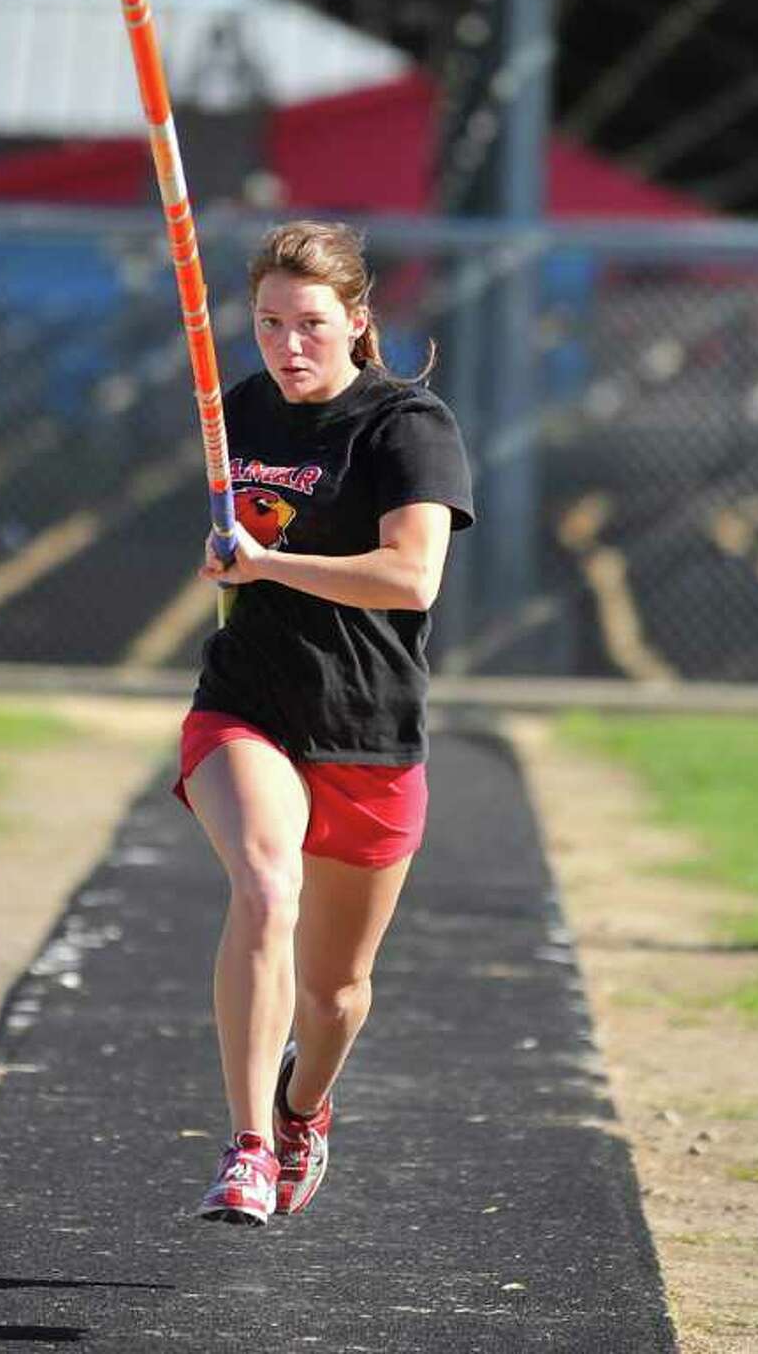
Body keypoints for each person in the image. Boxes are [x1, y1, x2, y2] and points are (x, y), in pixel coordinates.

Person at [174, 219, 474, 1225]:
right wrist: (233, 555)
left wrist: (263, 561)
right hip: (248, 703)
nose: (288, 345)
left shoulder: (406, 424)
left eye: (309, 324)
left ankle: (305, 1105)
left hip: (371, 728)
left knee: (337, 992)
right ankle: (250, 1143)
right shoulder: (238, 412)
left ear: (356, 321)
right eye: (267, 323)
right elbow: (244, 534)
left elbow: (410, 575)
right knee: (264, 884)